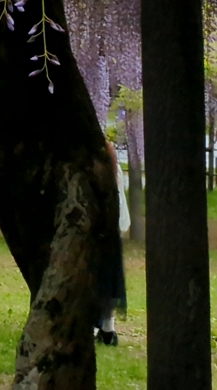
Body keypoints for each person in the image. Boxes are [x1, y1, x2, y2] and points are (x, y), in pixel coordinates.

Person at [95, 139, 128, 346]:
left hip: (98, 233)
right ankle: (108, 329)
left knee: (96, 280)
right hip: (112, 233)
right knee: (110, 283)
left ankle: (99, 328)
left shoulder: (95, 174)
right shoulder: (115, 172)